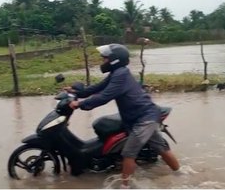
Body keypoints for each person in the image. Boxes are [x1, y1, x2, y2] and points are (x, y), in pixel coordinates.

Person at [67, 43, 180, 188]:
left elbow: (105, 96)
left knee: (128, 153)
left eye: (105, 59)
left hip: (143, 118)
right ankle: (180, 174)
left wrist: (80, 104)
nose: (103, 62)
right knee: (161, 148)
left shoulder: (120, 75)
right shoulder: (118, 73)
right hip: (143, 116)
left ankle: (125, 186)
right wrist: (77, 93)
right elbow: (98, 88)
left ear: (115, 60)